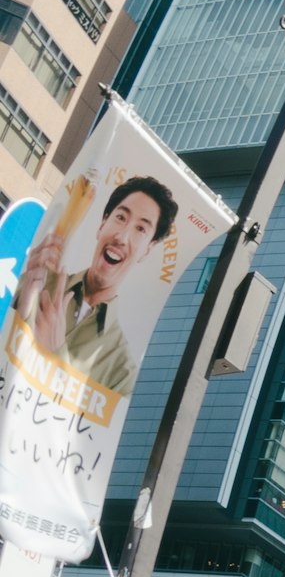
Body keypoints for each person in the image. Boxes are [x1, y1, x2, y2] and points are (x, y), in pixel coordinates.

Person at [13, 172, 175, 413]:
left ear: (147, 250)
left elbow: (87, 439)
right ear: (102, 223)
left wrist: (55, 356)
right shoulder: (35, 281)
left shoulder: (122, 371)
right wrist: (20, 302)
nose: (121, 237)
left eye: (141, 229)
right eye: (120, 217)